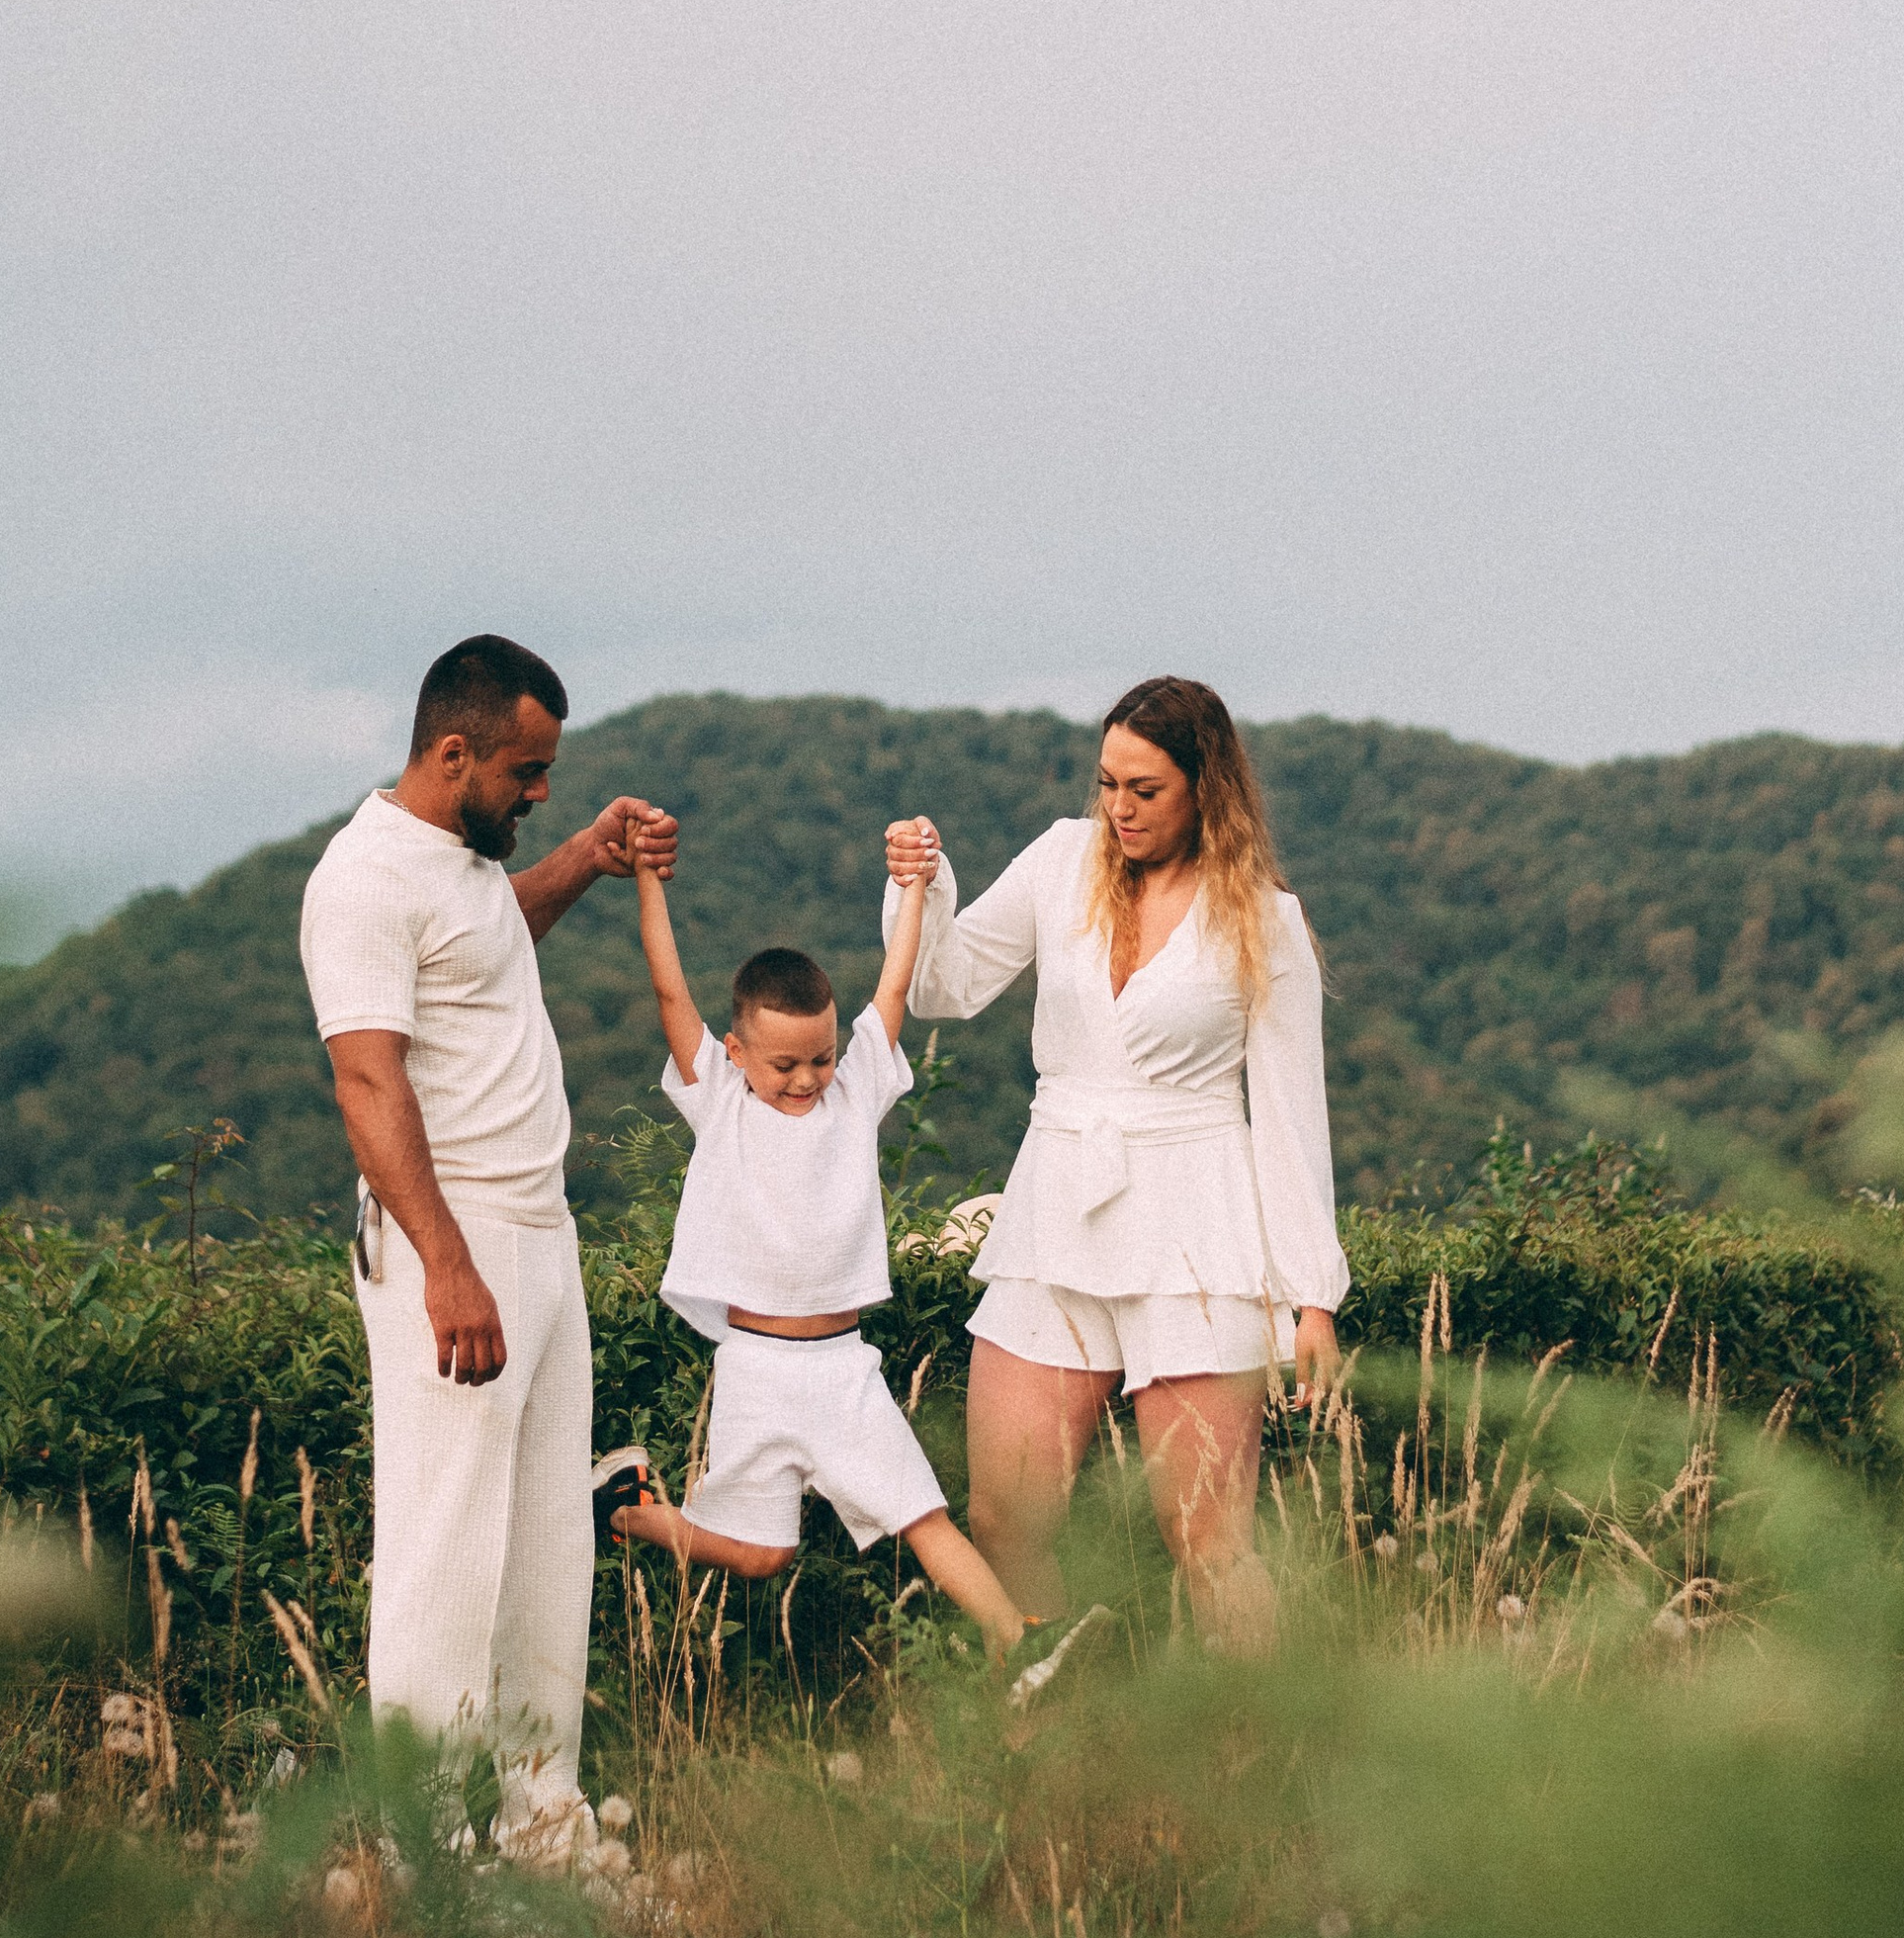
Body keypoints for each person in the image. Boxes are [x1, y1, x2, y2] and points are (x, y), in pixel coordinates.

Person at [298, 634, 676, 1860]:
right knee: (443, 1546)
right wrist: (446, 1265)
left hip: (539, 1234)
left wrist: (585, 857)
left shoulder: (460, 864)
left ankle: (541, 1819)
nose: (540, 791)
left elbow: (488, 939)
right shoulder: (361, 880)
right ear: (452, 751)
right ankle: (423, 1850)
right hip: (448, 1249)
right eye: (526, 771)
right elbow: (367, 1079)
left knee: (543, 1543)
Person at [883, 675, 1346, 1655]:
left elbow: (1292, 1119)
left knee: (1207, 1541)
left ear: (1205, 789)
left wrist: (1313, 1298)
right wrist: (919, 888)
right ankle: (1068, 1725)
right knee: (1007, 1521)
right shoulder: (1062, 860)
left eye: (1145, 790)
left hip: (1197, 1231)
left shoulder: (1264, 922)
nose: (1120, 810)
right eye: (1108, 785)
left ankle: (1260, 1772)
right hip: (1056, 1209)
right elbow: (945, 986)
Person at [606, 826, 1027, 1657]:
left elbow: (896, 985)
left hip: (843, 1369)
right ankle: (624, 1511)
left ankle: (1019, 1640)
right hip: (757, 1369)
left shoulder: (853, 1091)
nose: (806, 1080)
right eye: (784, 1065)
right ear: (736, 1054)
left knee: (923, 1515)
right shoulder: (719, 1099)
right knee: (764, 1558)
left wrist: (913, 883)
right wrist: (648, 881)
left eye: (822, 1059)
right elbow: (668, 992)